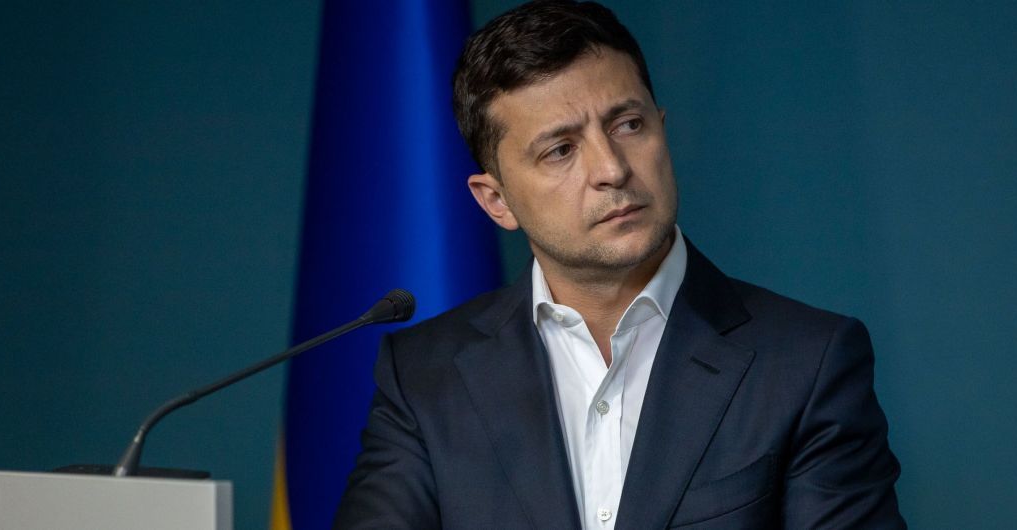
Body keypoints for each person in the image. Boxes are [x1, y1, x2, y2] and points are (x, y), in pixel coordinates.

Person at [335, 1, 905, 528]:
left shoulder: (807, 362)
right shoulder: (423, 377)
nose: (611, 168)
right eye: (560, 149)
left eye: (628, 125)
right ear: (497, 201)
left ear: (661, 128)